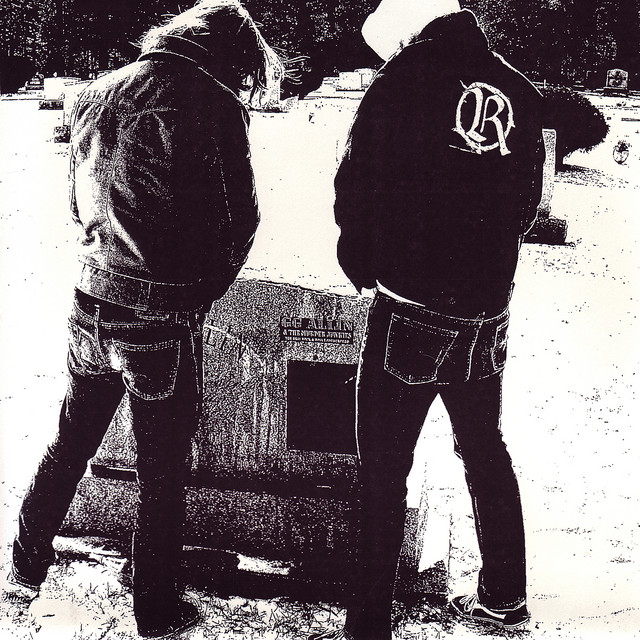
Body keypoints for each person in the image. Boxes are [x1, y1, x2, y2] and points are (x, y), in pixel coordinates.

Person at [5, 1, 283, 637]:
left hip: (90, 298)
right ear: (233, 55)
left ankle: (23, 564)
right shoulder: (214, 103)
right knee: (162, 472)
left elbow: (78, 204)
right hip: (160, 315)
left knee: (71, 440)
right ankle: (155, 611)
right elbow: (238, 221)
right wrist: (200, 293)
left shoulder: (96, 92)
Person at [311, 1, 544, 638]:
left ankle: (369, 622)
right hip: (486, 311)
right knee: (485, 449)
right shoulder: (518, 89)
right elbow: (527, 207)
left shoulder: (401, 80)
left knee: (382, 470)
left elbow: (355, 186)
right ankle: (505, 597)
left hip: (411, 307)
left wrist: (364, 266)